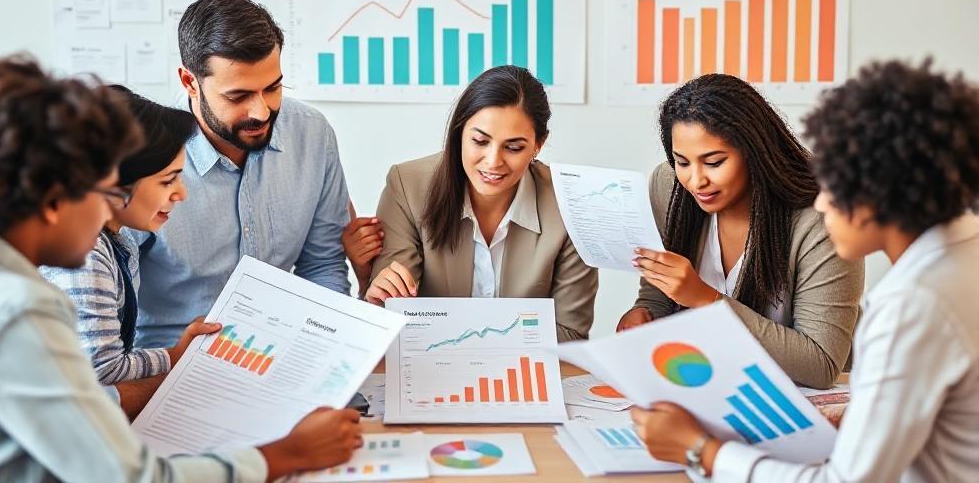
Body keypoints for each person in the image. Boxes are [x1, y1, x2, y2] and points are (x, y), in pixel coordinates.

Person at [0, 56, 362, 482]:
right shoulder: (16, 309)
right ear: (56, 199)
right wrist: (285, 454)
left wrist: (175, 361)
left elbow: (86, 411)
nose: (110, 213)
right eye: (107, 191)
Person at [631, 59, 979, 481]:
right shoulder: (962, 257)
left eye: (833, 188)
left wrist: (700, 450)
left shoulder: (911, 307)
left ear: (882, 191)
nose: (819, 203)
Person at [132, 0, 353, 349]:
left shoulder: (312, 133)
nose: (262, 111)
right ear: (190, 82)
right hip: (169, 367)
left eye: (273, 88)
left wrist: (324, 353)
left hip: (277, 356)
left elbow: (322, 265)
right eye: (238, 96)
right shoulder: (142, 153)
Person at [618, 74, 864, 388]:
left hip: (791, 399)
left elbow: (821, 365)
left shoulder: (821, 214)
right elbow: (658, 299)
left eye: (714, 162)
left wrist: (707, 300)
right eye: (682, 161)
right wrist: (644, 314)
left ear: (755, 152)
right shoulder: (669, 187)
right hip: (703, 383)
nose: (696, 181)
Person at [363, 65, 598, 341]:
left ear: (538, 144)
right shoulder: (407, 186)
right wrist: (379, 299)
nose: (493, 161)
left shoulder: (572, 204)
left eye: (513, 147)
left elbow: (570, 333)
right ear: (460, 133)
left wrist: (473, 348)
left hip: (523, 377)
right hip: (432, 372)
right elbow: (395, 314)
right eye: (480, 141)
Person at [41, 86, 219, 417]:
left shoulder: (117, 241)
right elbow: (103, 375)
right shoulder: (85, 257)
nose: (181, 194)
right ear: (114, 182)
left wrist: (176, 355)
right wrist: (175, 360)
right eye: (168, 181)